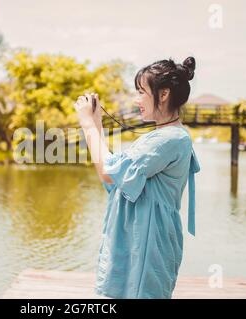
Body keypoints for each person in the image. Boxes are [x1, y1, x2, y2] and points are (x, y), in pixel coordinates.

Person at [74, 57, 201, 299]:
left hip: (149, 245)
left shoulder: (170, 139)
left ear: (163, 95)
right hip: (135, 239)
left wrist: (86, 124)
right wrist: (97, 123)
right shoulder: (158, 137)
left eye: (141, 92)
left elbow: (110, 173)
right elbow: (114, 178)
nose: (136, 99)